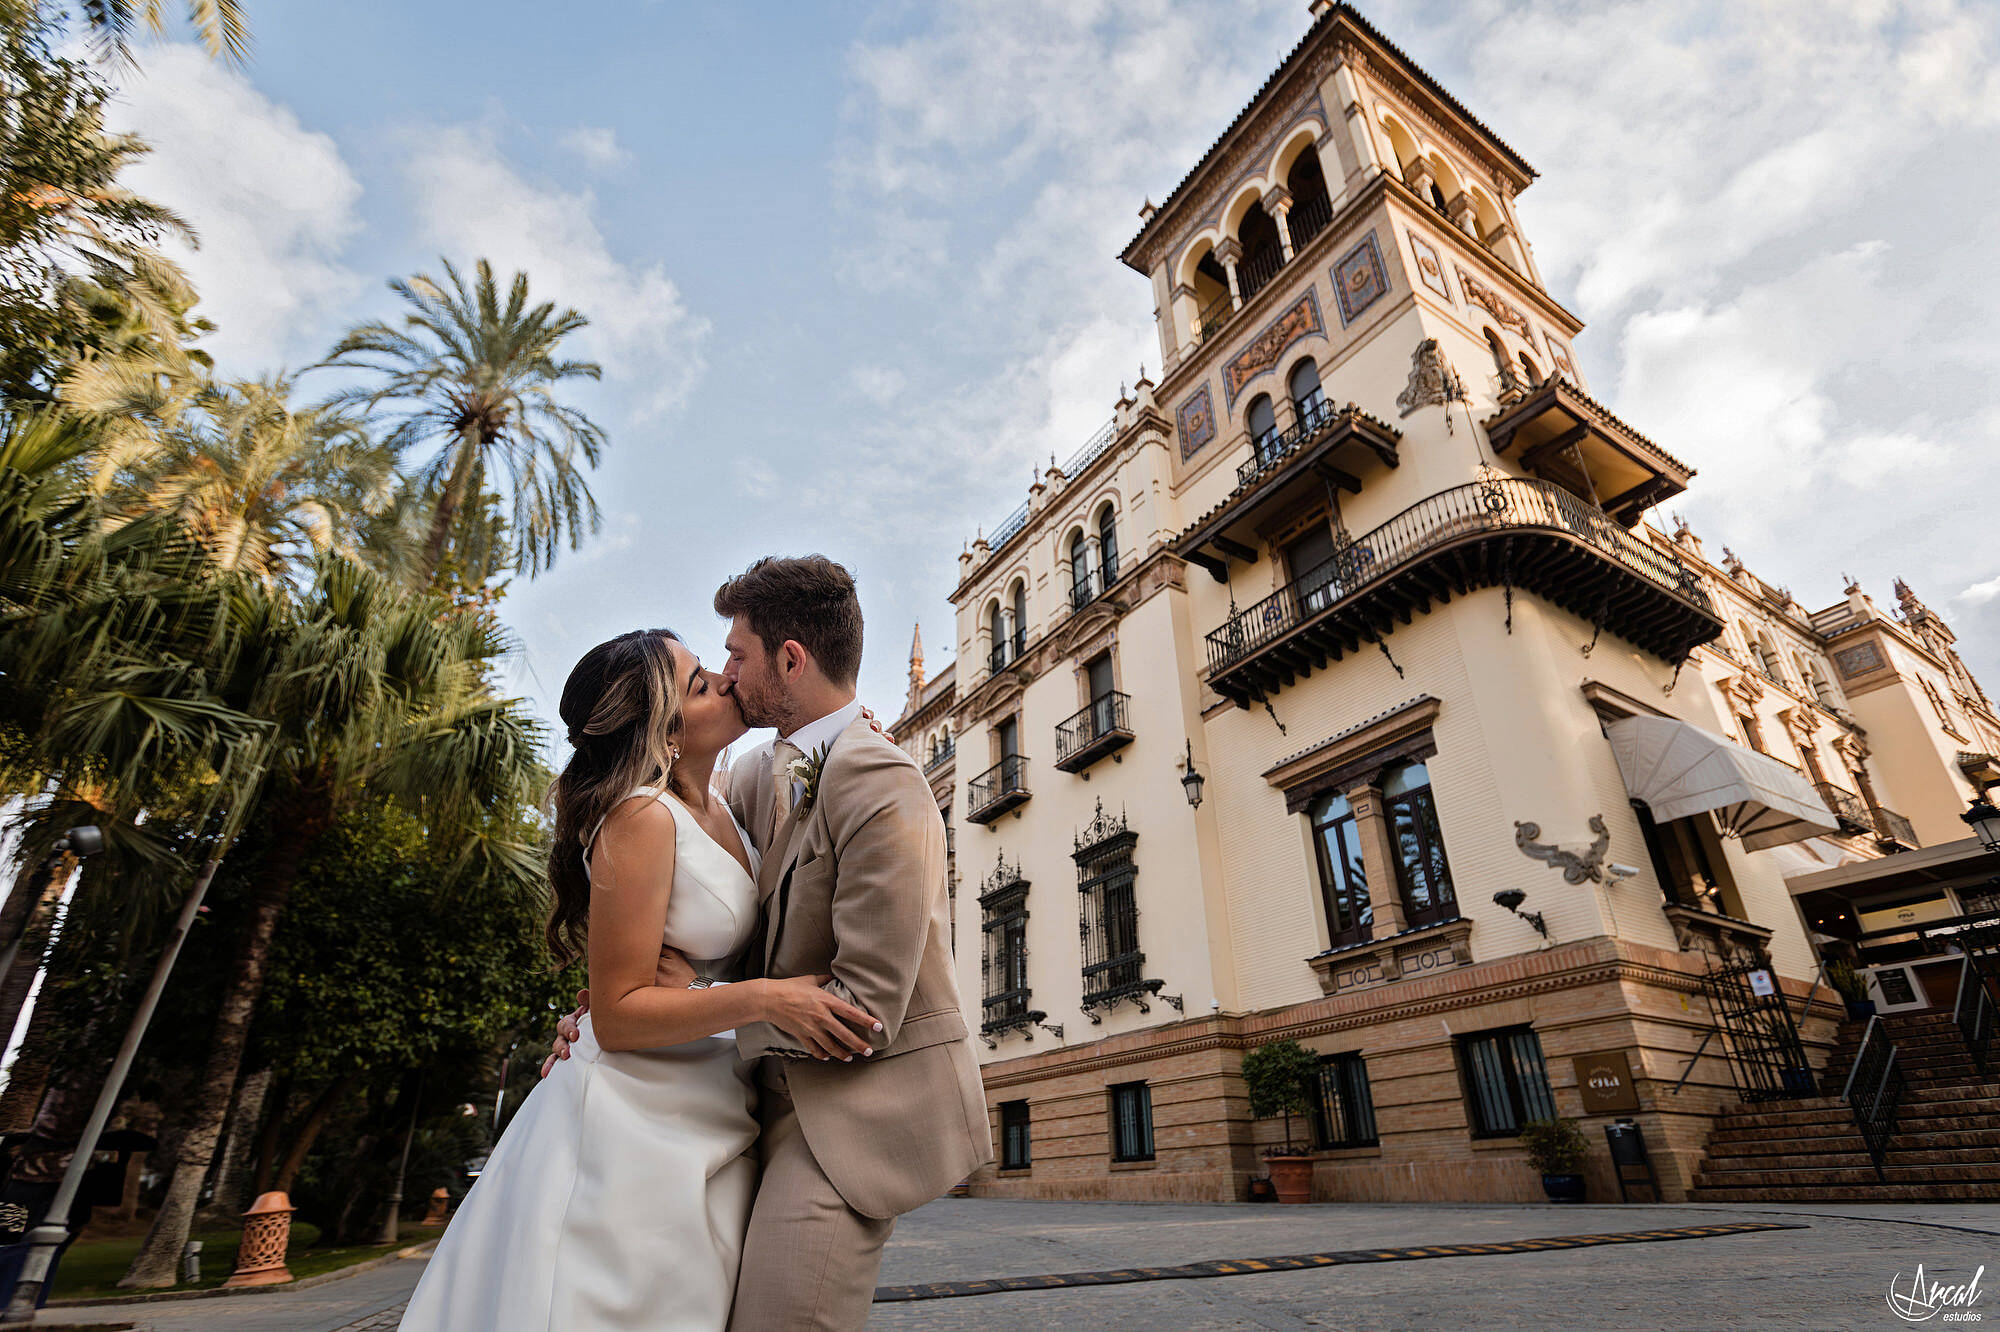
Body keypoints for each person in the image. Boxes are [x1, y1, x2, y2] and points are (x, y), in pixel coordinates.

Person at [549, 555, 991, 1330]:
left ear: (790, 659)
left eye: (736, 655)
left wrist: (692, 1005)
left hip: (849, 1116)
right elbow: (680, 902)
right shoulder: (747, 776)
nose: (725, 674)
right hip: (741, 1110)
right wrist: (609, 1012)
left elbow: (864, 1012)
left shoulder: (884, 783)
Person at [400, 628, 879, 1331]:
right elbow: (621, 1017)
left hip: (708, 1107)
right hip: (627, 1123)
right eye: (695, 684)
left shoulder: (723, 803)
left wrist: (855, 732)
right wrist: (770, 1000)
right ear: (661, 731)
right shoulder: (640, 818)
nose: (722, 679)